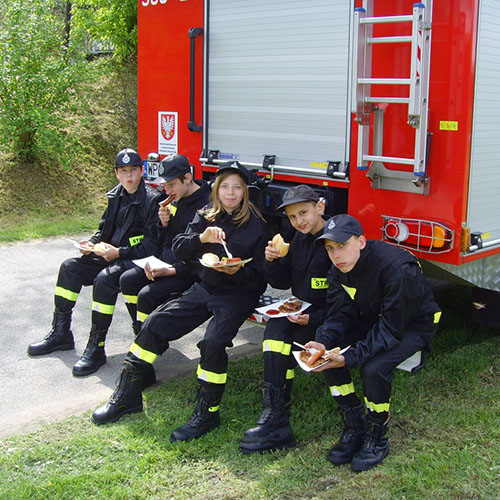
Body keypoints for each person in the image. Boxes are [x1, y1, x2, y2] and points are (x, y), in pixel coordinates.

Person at [91, 161, 271, 444]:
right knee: (155, 322)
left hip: (237, 295)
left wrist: (240, 271)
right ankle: (127, 396)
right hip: (204, 287)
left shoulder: (257, 226)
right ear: (217, 189)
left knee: (212, 343)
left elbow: (261, 278)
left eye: (237, 187)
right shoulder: (205, 215)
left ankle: (207, 412)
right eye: (225, 186)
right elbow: (179, 247)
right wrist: (201, 237)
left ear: (245, 191)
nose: (231, 192)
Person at [305, 214, 441, 472]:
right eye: (330, 248)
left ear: (362, 242)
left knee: (374, 368)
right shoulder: (338, 269)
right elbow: (339, 314)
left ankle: (376, 434)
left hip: (413, 324)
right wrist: (322, 342)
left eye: (342, 245)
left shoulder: (397, 269)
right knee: (328, 359)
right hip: (375, 316)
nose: (336, 254)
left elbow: (390, 329)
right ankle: (353, 423)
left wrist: (351, 357)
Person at [27, 148, 165, 378]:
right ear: (116, 174)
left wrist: (118, 252)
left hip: (135, 260)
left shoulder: (152, 200)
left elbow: (151, 246)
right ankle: (61, 333)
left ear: (142, 171)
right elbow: (103, 230)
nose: (129, 176)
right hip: (111, 254)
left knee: (104, 281)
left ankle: (96, 347)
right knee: (69, 267)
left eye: (133, 170)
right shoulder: (115, 196)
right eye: (123, 171)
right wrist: (90, 243)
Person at [239, 185, 332, 454]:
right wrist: (272, 261)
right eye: (292, 217)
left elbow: (349, 302)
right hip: (301, 313)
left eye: (303, 213)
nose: (299, 221)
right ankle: (275, 414)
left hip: (330, 320)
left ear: (320, 207)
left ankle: (276, 418)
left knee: (281, 334)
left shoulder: (336, 240)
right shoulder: (298, 239)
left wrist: (315, 317)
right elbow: (282, 282)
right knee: (276, 332)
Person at [119, 154, 211, 336]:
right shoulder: (176, 199)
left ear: (187, 178)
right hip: (166, 261)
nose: (167, 191)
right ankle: (140, 330)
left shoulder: (207, 205)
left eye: (171, 184)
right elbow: (164, 240)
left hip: (188, 271)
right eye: (164, 185)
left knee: (146, 295)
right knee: (127, 280)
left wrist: (172, 270)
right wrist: (163, 225)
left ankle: (147, 340)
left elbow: (202, 254)